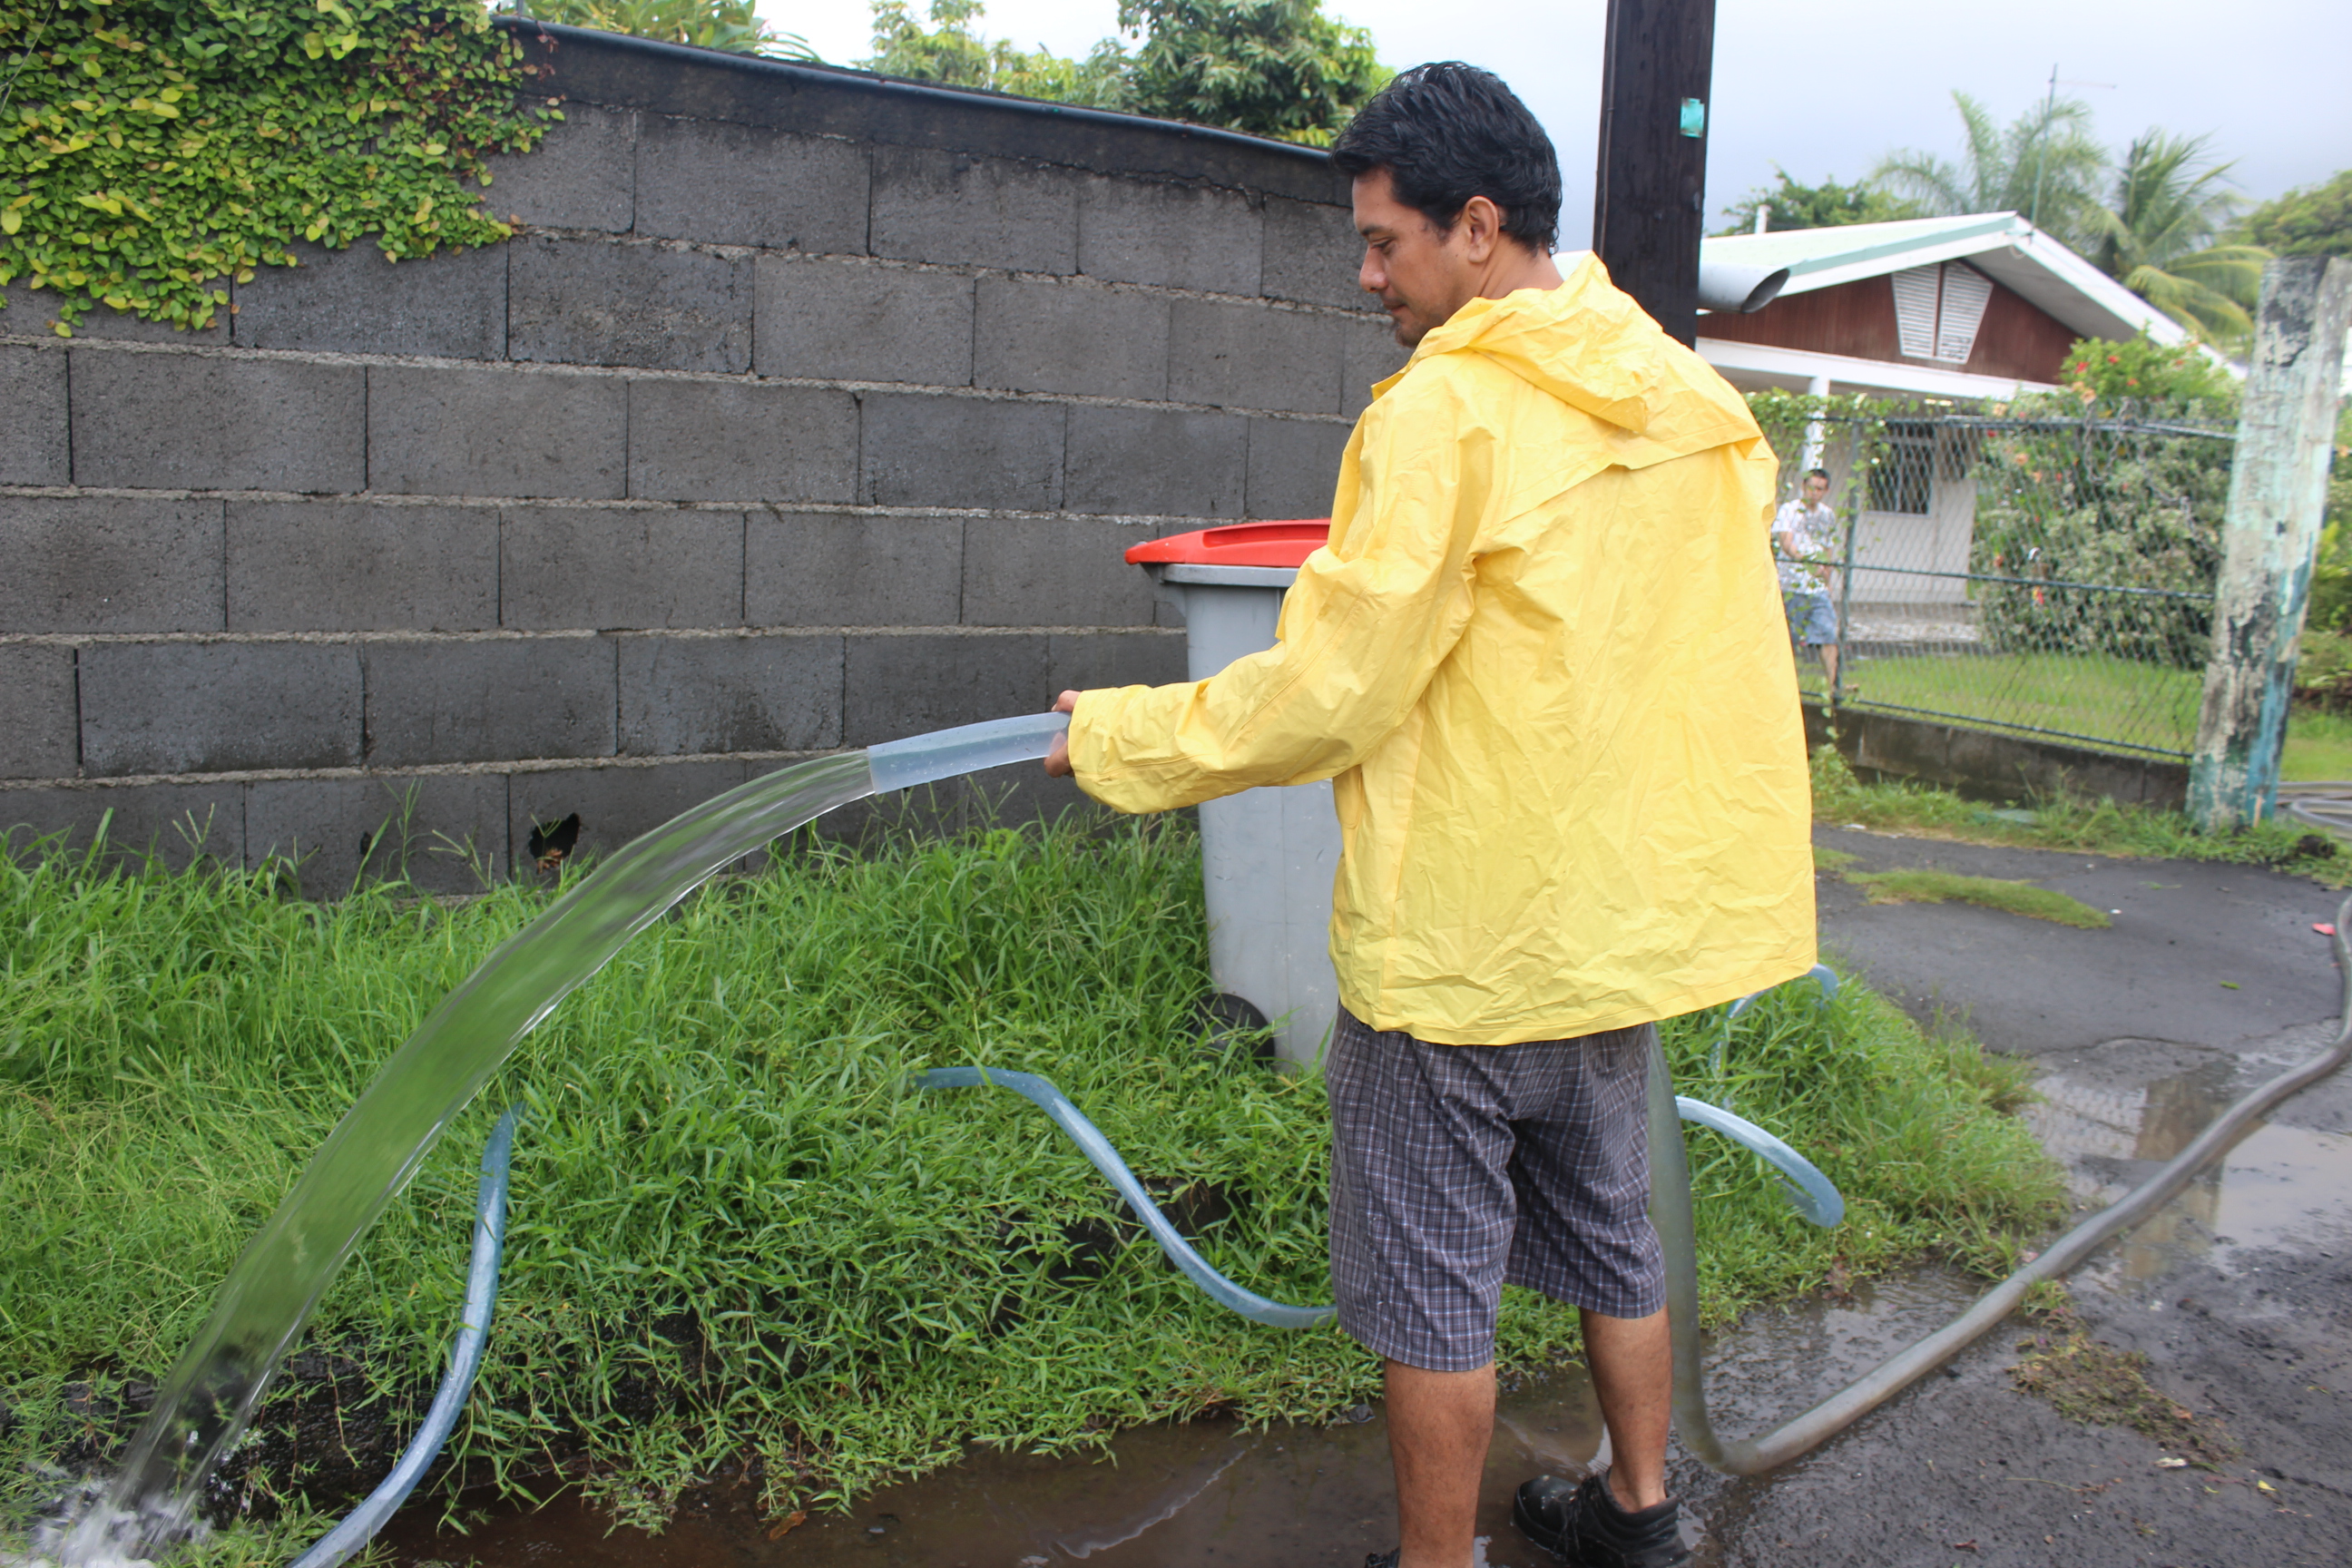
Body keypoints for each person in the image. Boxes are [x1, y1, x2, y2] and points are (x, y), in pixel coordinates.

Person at [1042, 63, 1813, 1568]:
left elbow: (1332, 688)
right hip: (1613, 934)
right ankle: (1640, 1512)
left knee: (1432, 1287)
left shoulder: (1447, 412)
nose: (1366, 273)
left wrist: (1126, 738)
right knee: (1613, 1232)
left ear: (1475, 230)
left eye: (1384, 241)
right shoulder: (1685, 401)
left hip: (1454, 950)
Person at [1773, 467, 1843, 693]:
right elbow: (1786, 542)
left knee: (1828, 632)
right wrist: (1808, 562)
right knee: (1785, 639)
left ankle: (1833, 686)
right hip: (1791, 584)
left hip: (1817, 587)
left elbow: (1828, 548)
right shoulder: (1790, 510)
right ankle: (1780, 688)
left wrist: (1827, 576)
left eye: (1819, 489)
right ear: (1803, 486)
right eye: (1811, 487)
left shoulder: (1827, 514)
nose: (1814, 493)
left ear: (1826, 491)